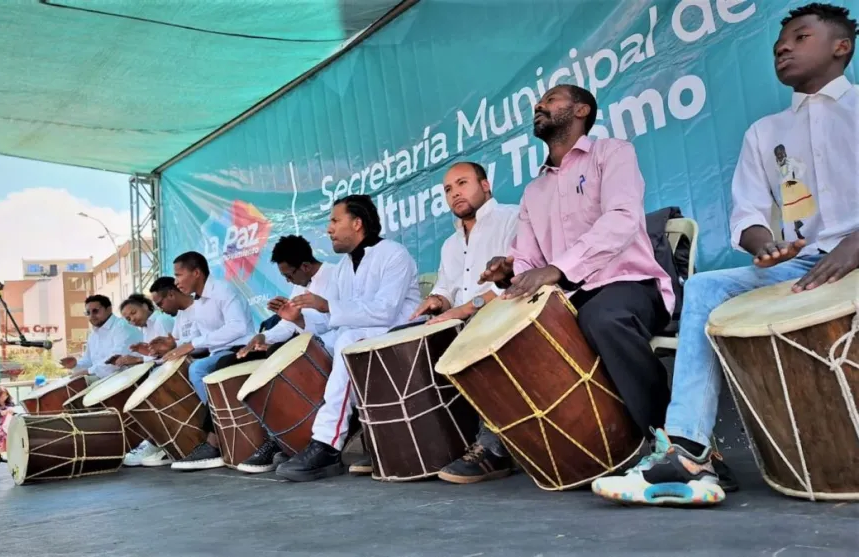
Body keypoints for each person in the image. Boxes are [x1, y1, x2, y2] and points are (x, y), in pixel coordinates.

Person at [592, 3, 858, 507]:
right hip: (806, 263)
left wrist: (855, 244)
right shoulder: (766, 133)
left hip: (853, 254)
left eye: (800, 37)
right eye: (780, 43)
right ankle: (691, 448)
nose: (782, 47)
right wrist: (767, 246)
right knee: (708, 287)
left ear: (841, 47)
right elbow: (749, 214)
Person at [480, 84, 676, 479]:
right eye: (539, 102)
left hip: (630, 285)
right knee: (512, 337)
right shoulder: (534, 191)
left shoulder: (612, 153)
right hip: (572, 298)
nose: (539, 105)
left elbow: (621, 219)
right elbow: (529, 259)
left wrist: (558, 269)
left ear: (582, 110)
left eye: (551, 100)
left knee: (602, 318)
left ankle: (674, 442)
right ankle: (548, 449)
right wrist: (508, 270)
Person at [274, 194, 421, 482]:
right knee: (311, 348)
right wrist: (300, 319)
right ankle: (295, 436)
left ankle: (327, 443)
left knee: (346, 341)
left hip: (401, 336)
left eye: (334, 220)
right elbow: (333, 320)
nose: (329, 229)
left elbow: (385, 311)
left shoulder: (393, 253)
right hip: (365, 338)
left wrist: (327, 305)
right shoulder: (343, 268)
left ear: (357, 223)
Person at [401, 161, 519, 483]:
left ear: (485, 185)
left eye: (462, 183)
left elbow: (519, 278)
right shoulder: (450, 244)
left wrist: (466, 309)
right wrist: (438, 301)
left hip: (508, 315)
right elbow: (446, 289)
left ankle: (494, 449)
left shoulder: (512, 218)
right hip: (467, 322)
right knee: (411, 342)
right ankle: (438, 443)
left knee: (476, 331)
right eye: (448, 190)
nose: (455, 193)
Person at [219, 235, 335, 473]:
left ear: (304, 266)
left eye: (289, 275)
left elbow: (334, 322)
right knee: (233, 360)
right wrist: (264, 337)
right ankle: (282, 439)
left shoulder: (336, 277)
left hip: (332, 345)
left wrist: (298, 319)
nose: (288, 280)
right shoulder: (300, 284)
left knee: (283, 362)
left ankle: (282, 440)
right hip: (307, 343)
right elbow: (288, 325)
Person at [153, 252, 256, 471]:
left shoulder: (223, 290)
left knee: (199, 369)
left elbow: (237, 327)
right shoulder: (198, 303)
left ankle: (216, 435)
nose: (176, 281)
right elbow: (202, 341)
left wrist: (193, 344)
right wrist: (175, 348)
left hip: (242, 349)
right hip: (219, 354)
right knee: (190, 366)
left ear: (197, 273)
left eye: (179, 275)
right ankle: (220, 429)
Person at [114, 290, 175, 467]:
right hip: (161, 369)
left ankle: (159, 444)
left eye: (133, 313)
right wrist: (142, 355)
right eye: (127, 318)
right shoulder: (146, 328)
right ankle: (155, 442)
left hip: (172, 369)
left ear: (145, 306)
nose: (131, 319)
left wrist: (139, 358)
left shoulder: (161, 321)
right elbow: (156, 355)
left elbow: (170, 352)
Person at [59, 294, 142, 381]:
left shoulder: (123, 327)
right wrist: (75, 366)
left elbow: (116, 361)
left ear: (109, 309)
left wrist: (88, 371)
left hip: (129, 383)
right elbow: (89, 361)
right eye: (88, 313)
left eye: (95, 311)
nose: (91, 316)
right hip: (107, 384)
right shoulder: (93, 334)